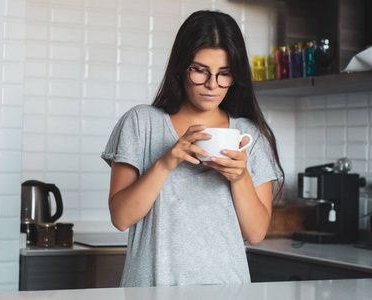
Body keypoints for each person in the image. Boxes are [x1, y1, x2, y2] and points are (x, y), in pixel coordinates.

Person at [101, 10, 284, 287]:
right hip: (151, 290)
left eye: (224, 74)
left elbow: (256, 233)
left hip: (227, 290)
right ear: (180, 67)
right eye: (200, 70)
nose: (212, 84)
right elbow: (121, 218)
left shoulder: (249, 135)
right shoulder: (141, 123)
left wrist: (240, 177)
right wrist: (165, 162)